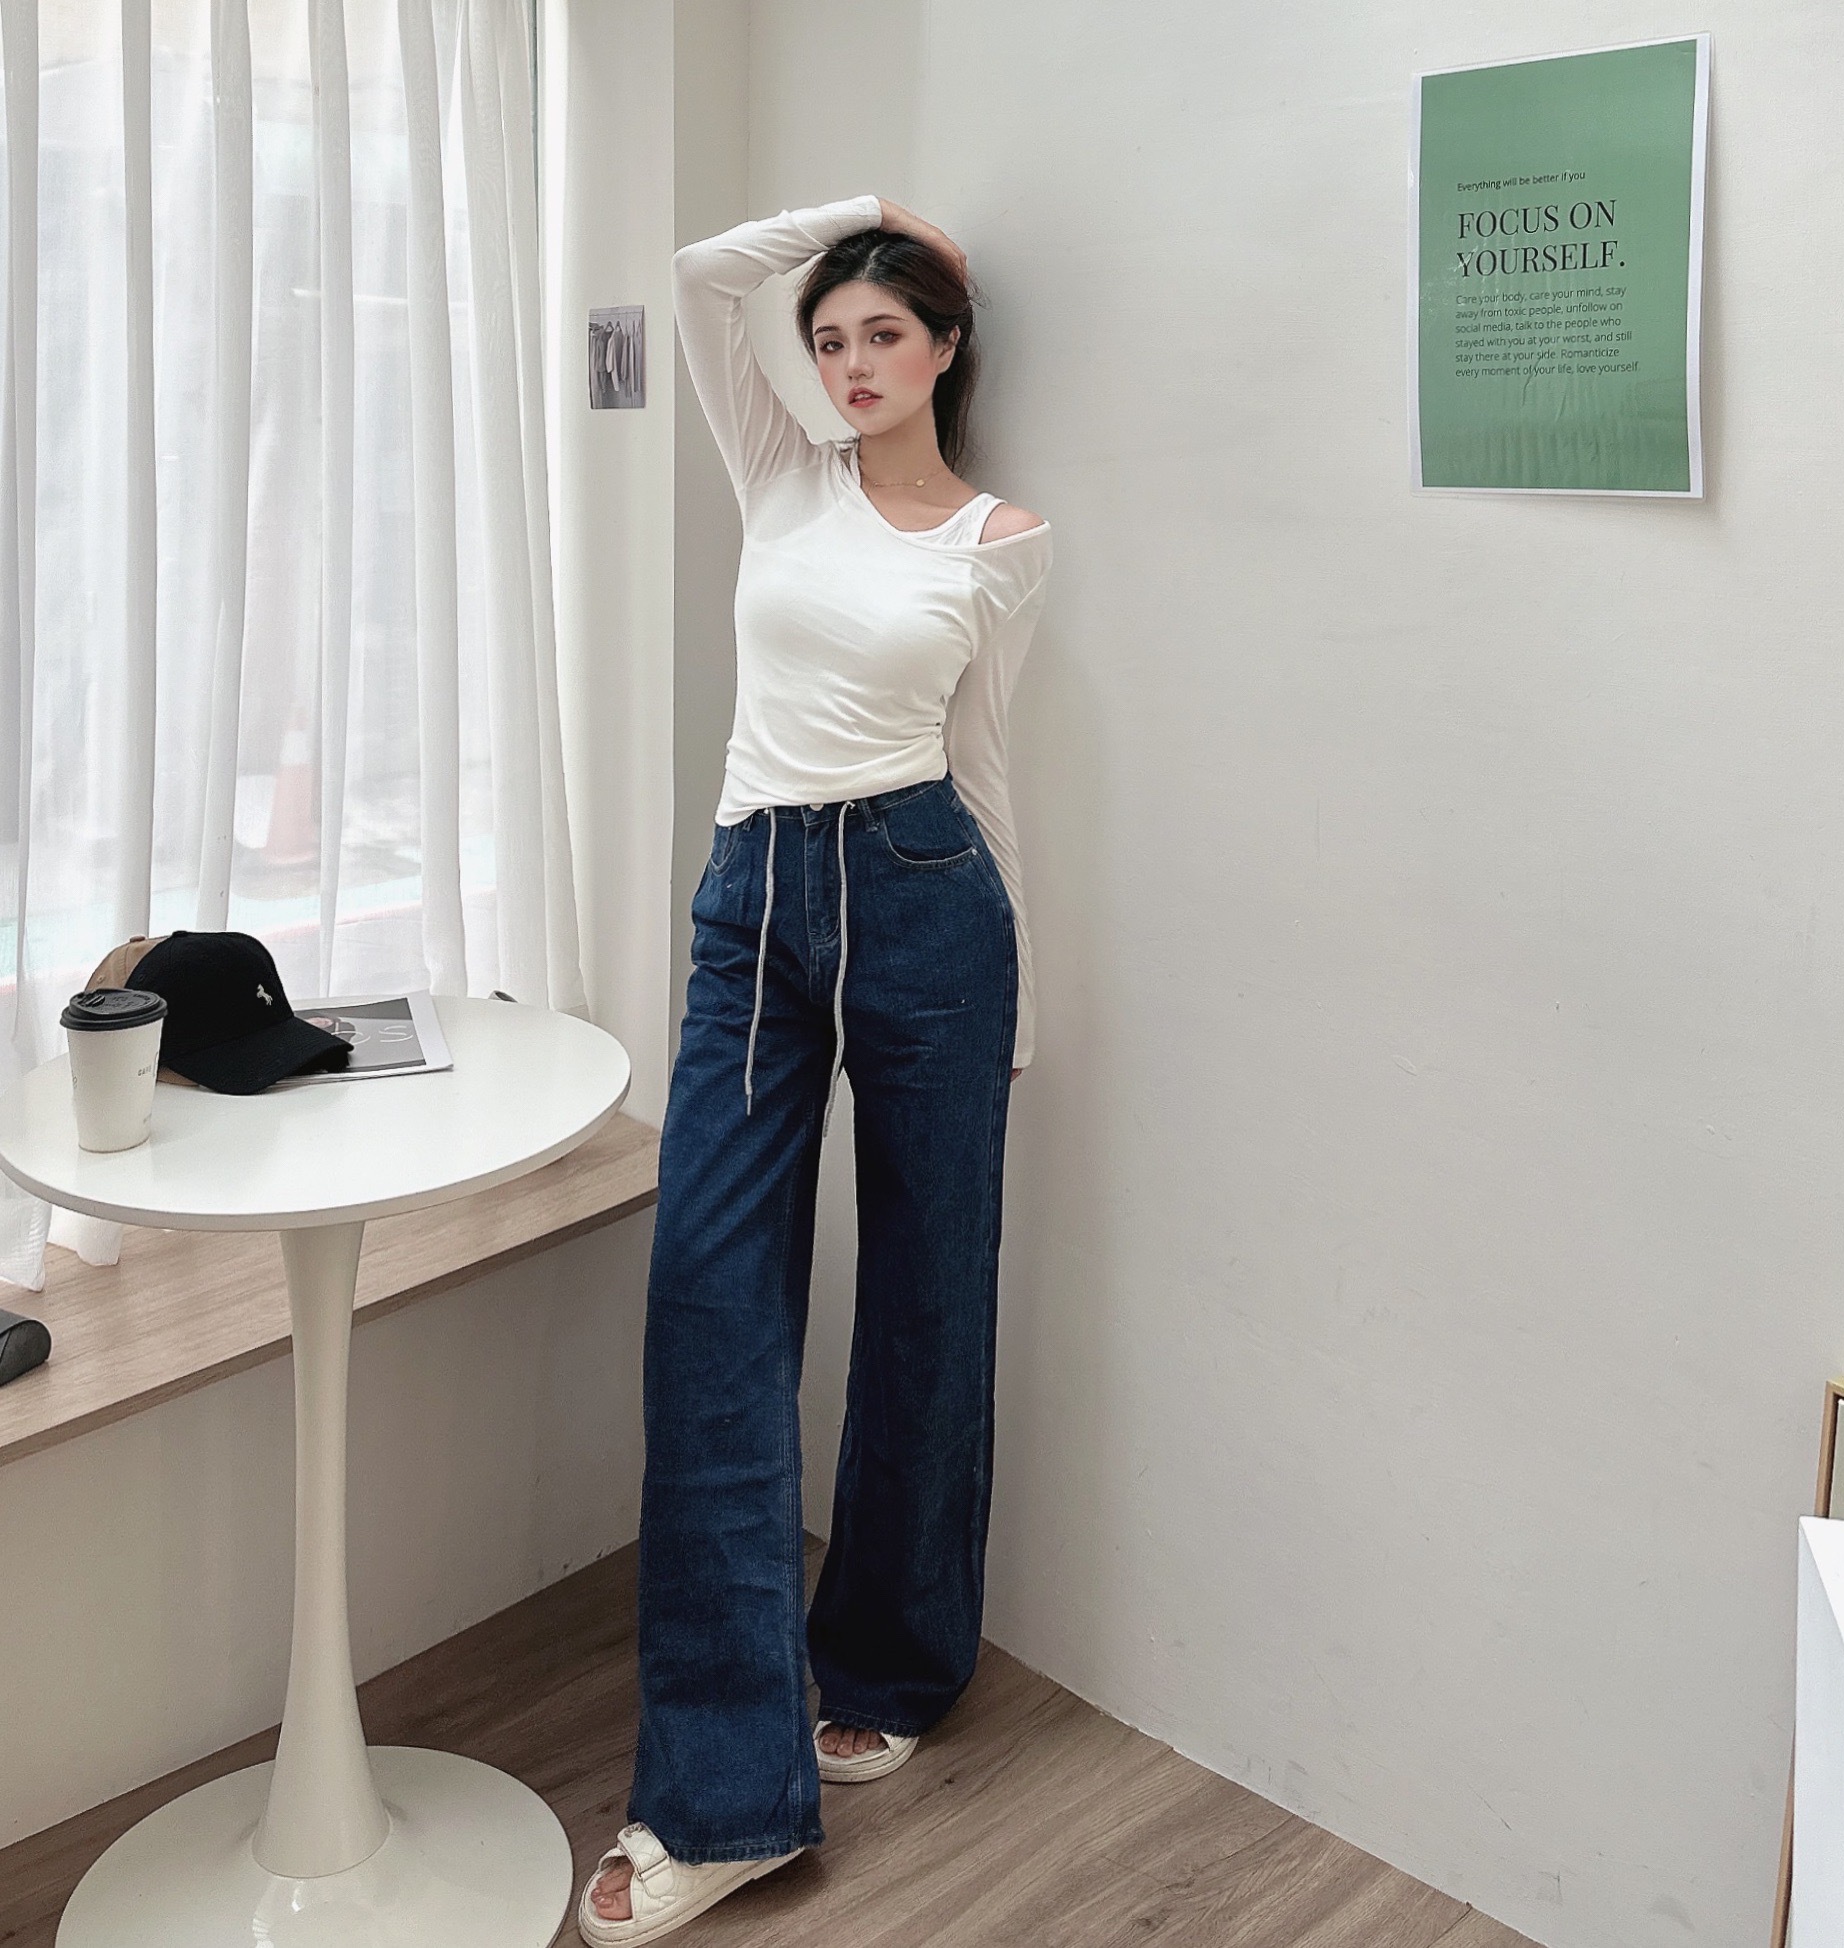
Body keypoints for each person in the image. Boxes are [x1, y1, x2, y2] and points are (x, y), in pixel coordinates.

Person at [579, 193, 1053, 1944]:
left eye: (884, 334)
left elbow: (984, 759)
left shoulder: (1002, 540)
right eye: (834, 338)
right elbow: (705, 275)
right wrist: (867, 216)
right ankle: (720, 1798)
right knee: (711, 1302)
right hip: (754, 900)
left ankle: (897, 1661)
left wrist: (1023, 997)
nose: (851, 364)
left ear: (946, 351)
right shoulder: (781, 472)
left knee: (933, 1289)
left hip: (930, 898)